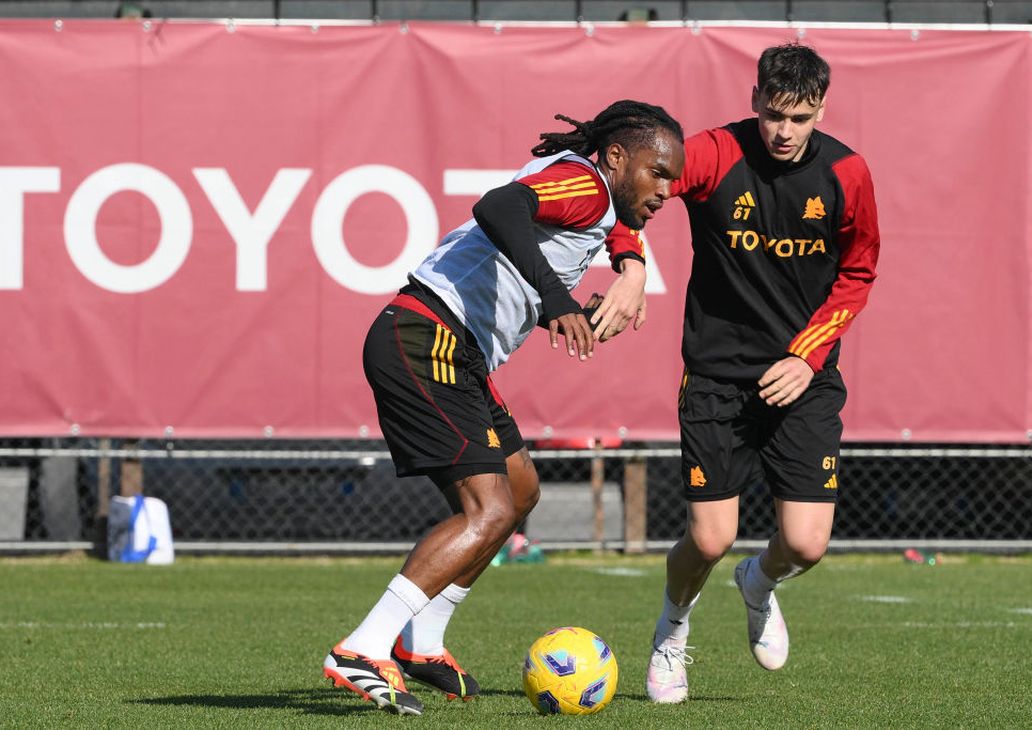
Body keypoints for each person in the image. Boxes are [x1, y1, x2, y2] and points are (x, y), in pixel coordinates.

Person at [323, 100, 685, 716]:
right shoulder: (588, 186)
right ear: (618, 158)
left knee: (518, 492)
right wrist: (556, 296)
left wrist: (627, 266)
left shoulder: (599, 193)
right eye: (658, 173)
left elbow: (609, 223)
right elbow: (498, 206)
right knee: (488, 511)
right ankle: (363, 648)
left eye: (673, 179)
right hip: (427, 336)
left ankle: (423, 641)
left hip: (456, 351)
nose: (666, 190)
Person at [640, 43, 880, 703]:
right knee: (709, 536)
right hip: (717, 376)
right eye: (774, 114)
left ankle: (760, 582)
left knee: (806, 545)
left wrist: (806, 356)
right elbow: (639, 188)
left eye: (800, 118)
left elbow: (858, 273)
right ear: (755, 101)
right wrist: (630, 266)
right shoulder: (714, 153)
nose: (783, 131)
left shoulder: (847, 172)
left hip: (803, 377)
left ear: (821, 110)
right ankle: (672, 630)